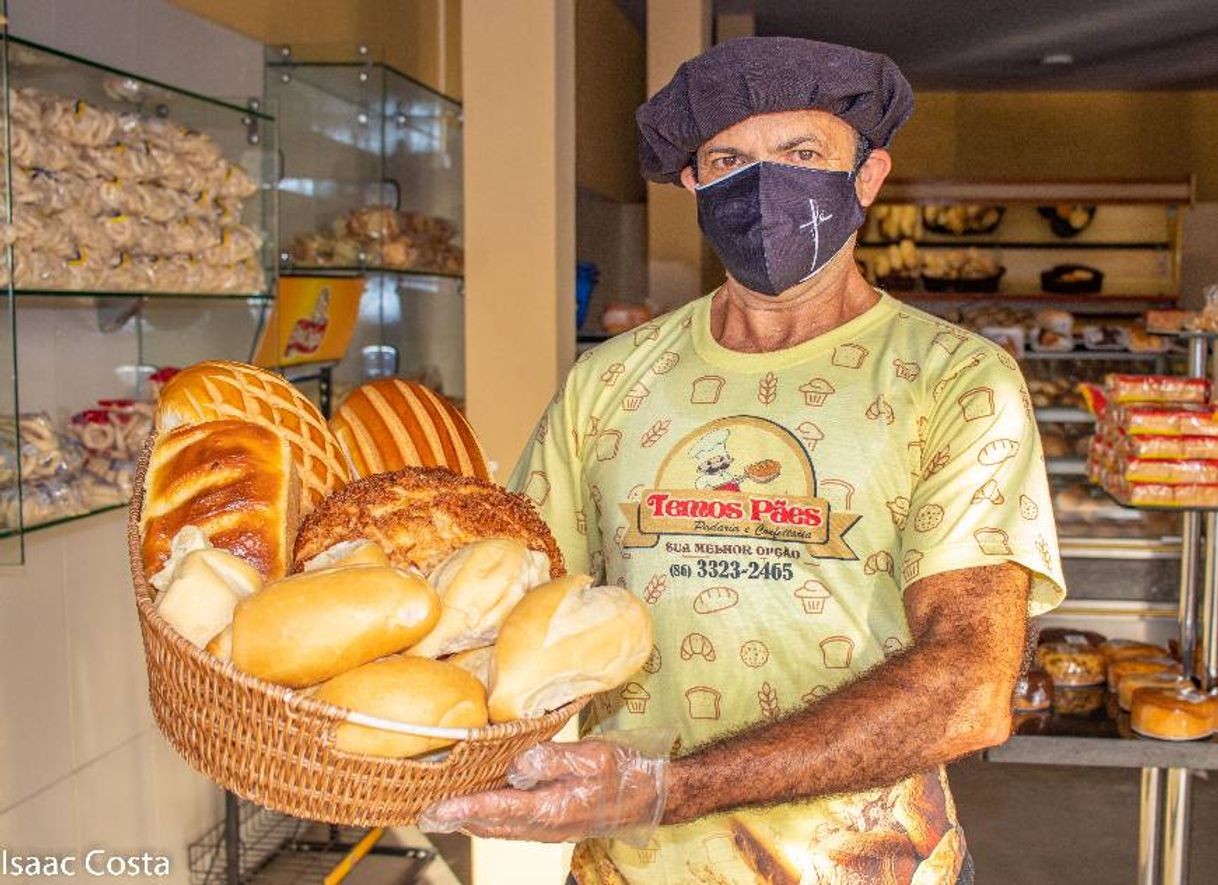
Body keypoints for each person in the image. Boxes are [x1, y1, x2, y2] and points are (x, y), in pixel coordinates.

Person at [420, 36, 1065, 884]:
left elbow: (970, 686)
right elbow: (506, 610)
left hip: (869, 867)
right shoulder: (609, 381)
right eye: (728, 158)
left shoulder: (955, 382)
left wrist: (669, 787)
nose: (764, 186)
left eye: (802, 153)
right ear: (694, 184)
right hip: (626, 870)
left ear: (867, 178)